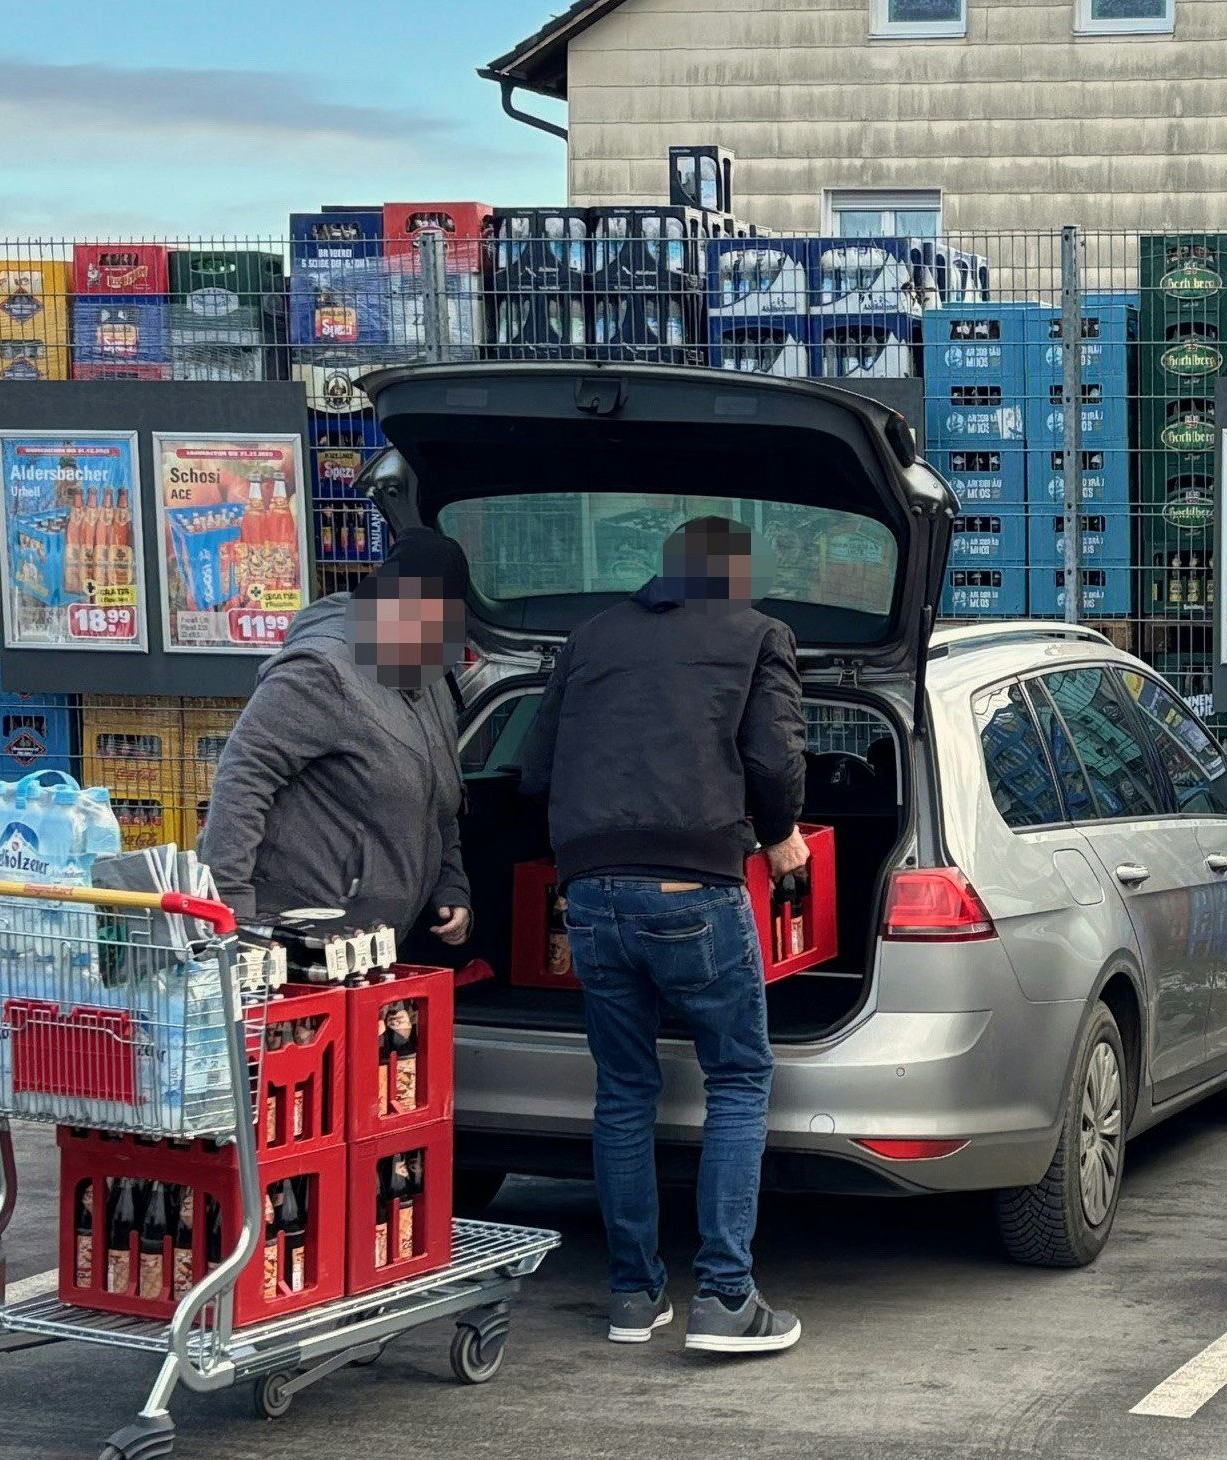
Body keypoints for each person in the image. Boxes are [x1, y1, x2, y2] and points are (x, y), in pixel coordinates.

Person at [519, 516, 809, 1355]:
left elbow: (536, 769)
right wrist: (779, 828)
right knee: (741, 1077)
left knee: (622, 1093)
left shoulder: (590, 636)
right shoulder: (757, 635)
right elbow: (775, 757)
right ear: (736, 574)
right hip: (694, 886)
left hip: (589, 894)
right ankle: (724, 1299)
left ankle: (631, 1298)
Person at [200, 529, 474, 944]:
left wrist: (450, 884)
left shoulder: (429, 675)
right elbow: (243, 777)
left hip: (369, 936)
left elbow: (439, 797)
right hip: (294, 927)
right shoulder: (322, 670)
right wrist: (230, 906)